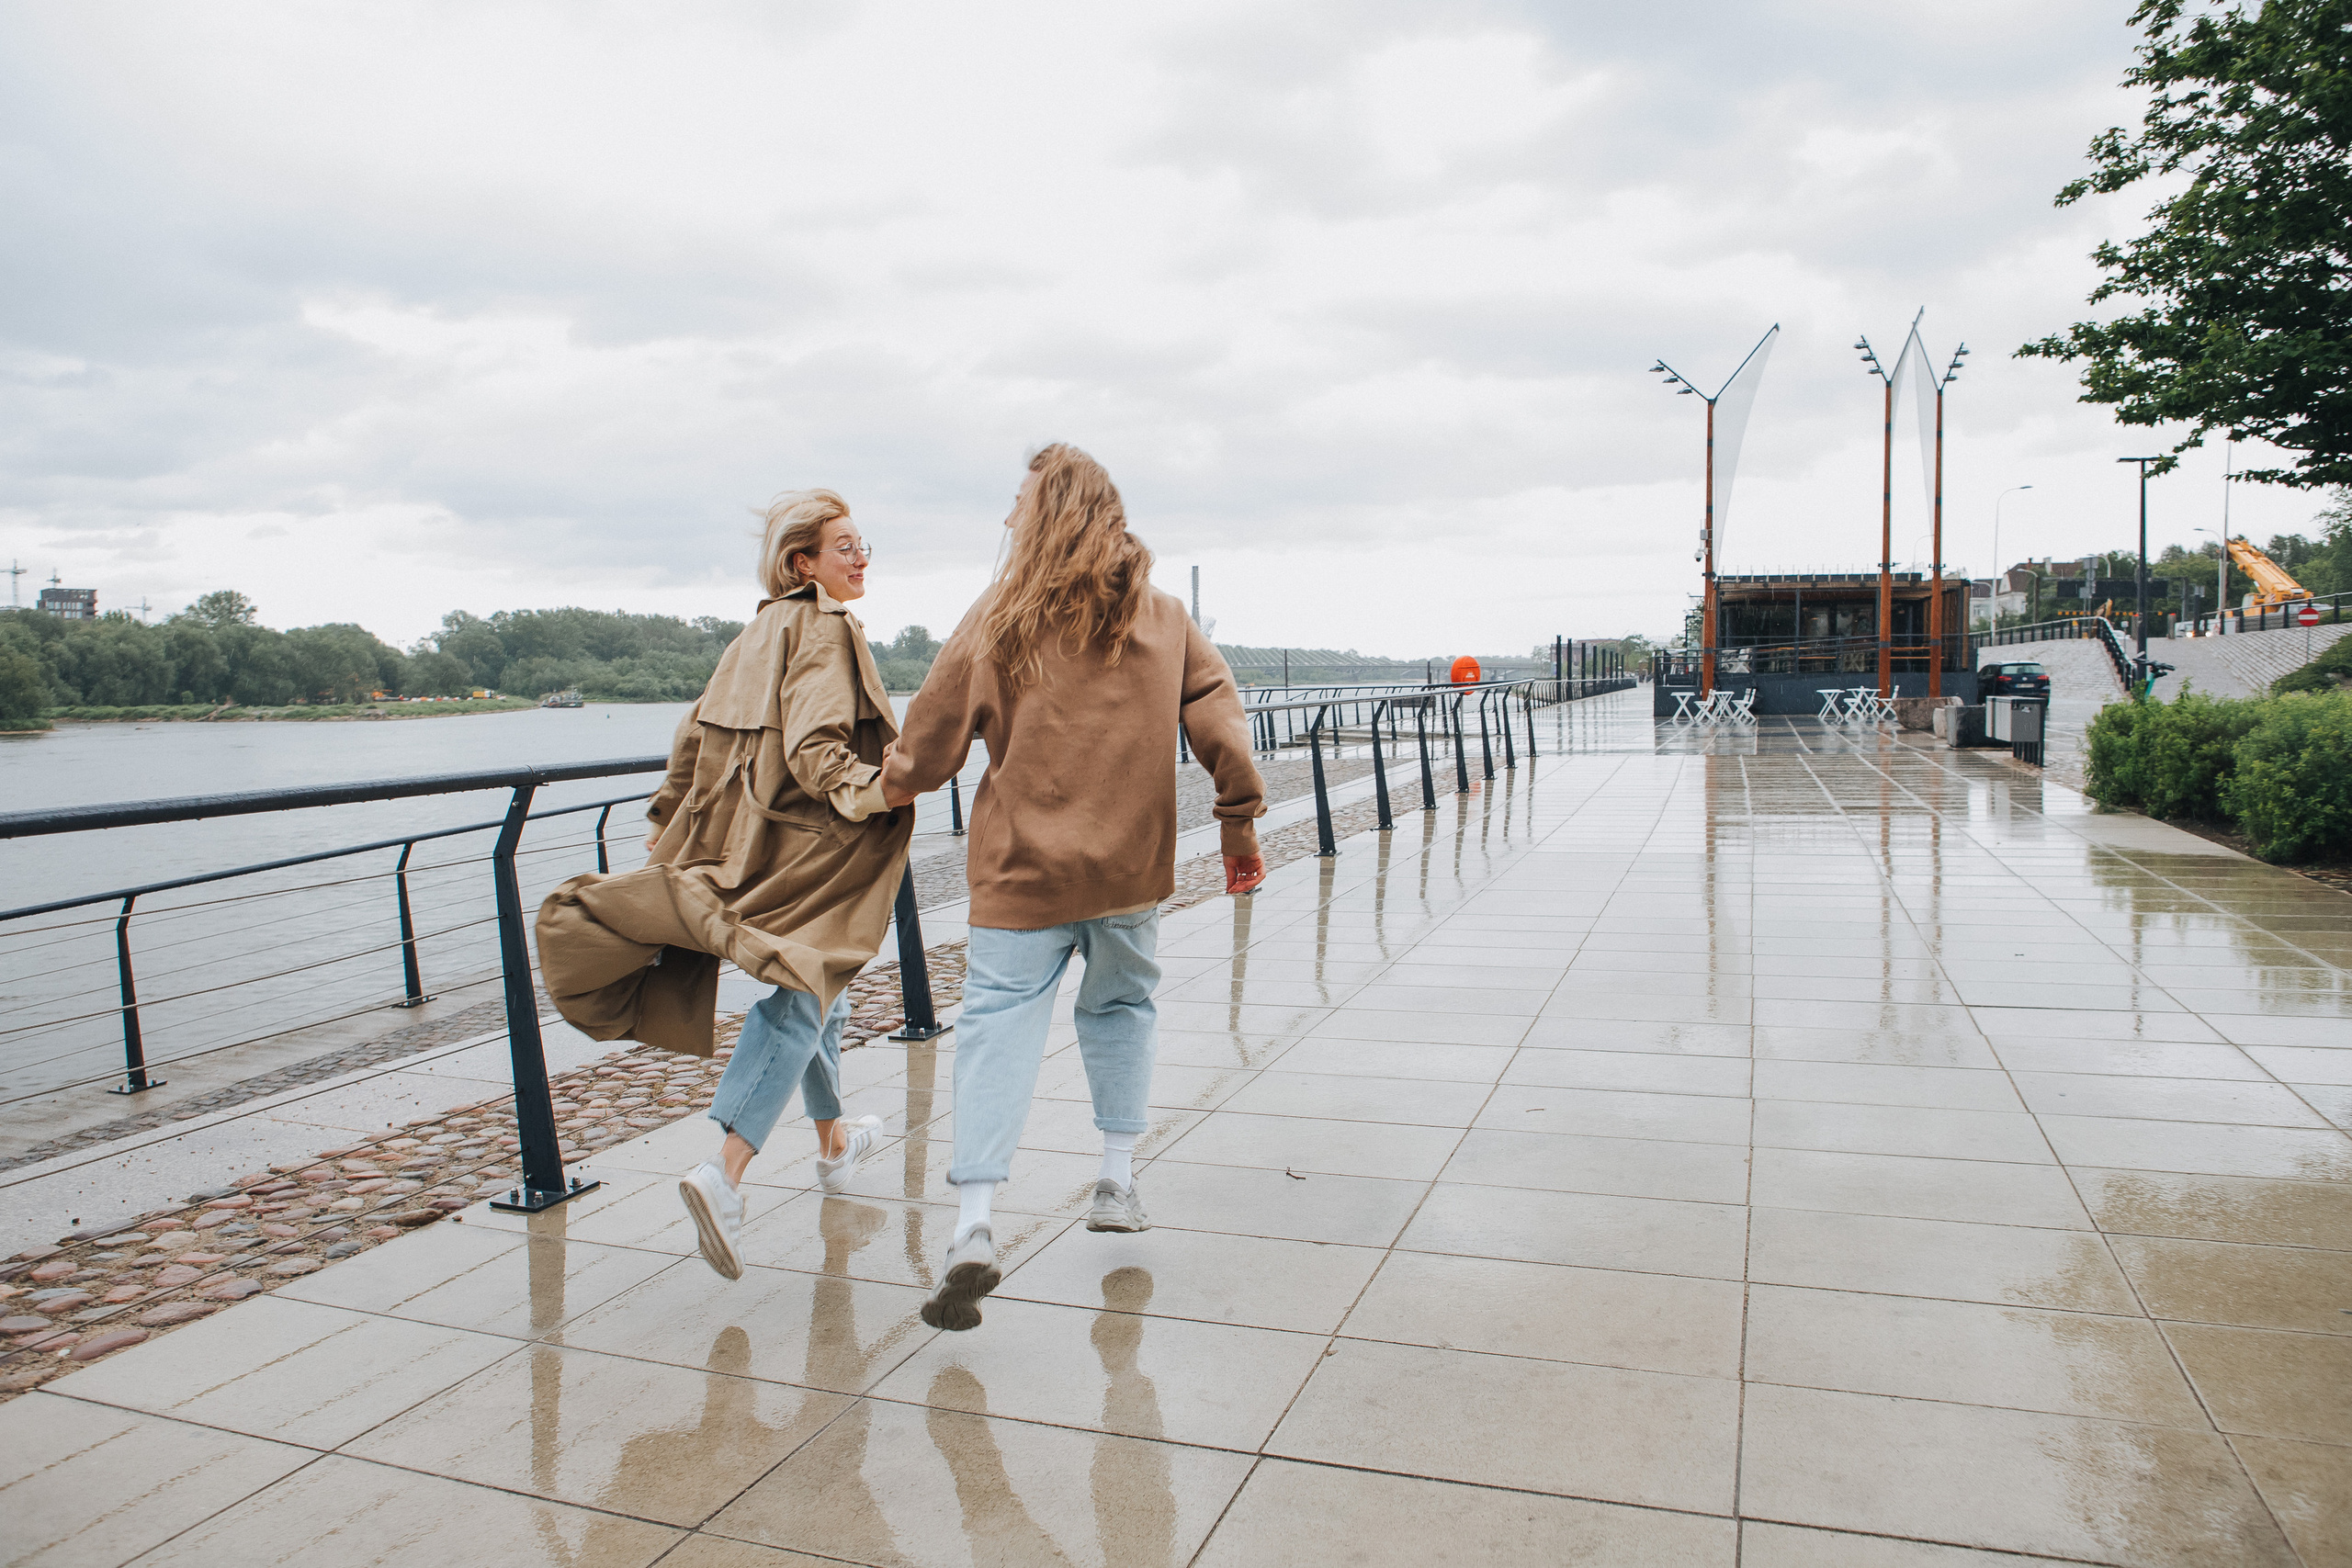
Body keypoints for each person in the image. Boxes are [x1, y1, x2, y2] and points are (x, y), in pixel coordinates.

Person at [881, 443, 1266, 1331]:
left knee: (994, 1027)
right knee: (1123, 1006)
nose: (1008, 517)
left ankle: (976, 1226)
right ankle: (1119, 1178)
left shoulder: (998, 618)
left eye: (1017, 500)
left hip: (1021, 873)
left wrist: (878, 791)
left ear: (1048, 509)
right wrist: (1238, 823)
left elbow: (929, 743)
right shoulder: (1165, 618)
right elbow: (1224, 727)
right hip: (1128, 869)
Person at [535, 489, 912, 1281]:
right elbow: (818, 754)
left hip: (746, 844)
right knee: (807, 987)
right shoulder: (825, 625)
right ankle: (726, 1171)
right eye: (845, 545)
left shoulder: (754, 633)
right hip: (814, 854)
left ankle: (835, 1144)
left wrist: (670, 826)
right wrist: (893, 785)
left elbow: (690, 741)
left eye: (863, 542)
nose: (861, 555)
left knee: (824, 987)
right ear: (802, 562)